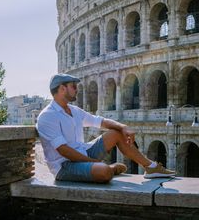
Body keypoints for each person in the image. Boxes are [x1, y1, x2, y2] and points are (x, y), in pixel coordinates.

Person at [36, 73, 175, 183]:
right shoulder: (47, 116)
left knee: (116, 133)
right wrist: (94, 162)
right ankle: (110, 169)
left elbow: (99, 121)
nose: (77, 90)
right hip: (64, 166)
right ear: (62, 88)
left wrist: (123, 127)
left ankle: (151, 168)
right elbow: (64, 150)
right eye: (73, 86)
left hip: (83, 152)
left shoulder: (74, 110)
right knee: (104, 172)